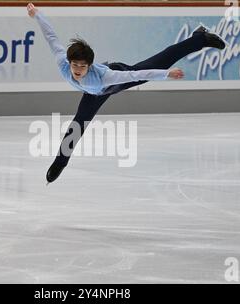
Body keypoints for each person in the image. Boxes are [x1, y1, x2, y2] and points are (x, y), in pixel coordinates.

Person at [26, 3, 226, 184]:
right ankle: (59, 163)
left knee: (159, 63)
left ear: (89, 66)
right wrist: (37, 14)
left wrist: (166, 74)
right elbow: (51, 37)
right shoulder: (63, 64)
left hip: (114, 80)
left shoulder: (106, 77)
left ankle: (200, 39)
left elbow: (135, 74)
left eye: (82, 66)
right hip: (92, 92)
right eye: (74, 65)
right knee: (78, 124)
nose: (77, 70)